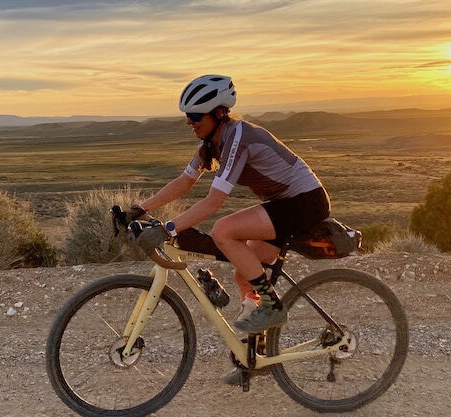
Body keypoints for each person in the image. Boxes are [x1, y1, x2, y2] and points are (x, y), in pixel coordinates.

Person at [132, 74, 330, 363]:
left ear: (219, 113)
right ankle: (257, 353)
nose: (190, 121)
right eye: (188, 116)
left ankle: (273, 307)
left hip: (305, 201)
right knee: (245, 272)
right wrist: (140, 207)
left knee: (224, 230)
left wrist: (168, 228)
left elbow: (214, 201)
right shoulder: (213, 143)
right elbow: (183, 182)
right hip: (284, 204)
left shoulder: (239, 136)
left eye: (196, 115)